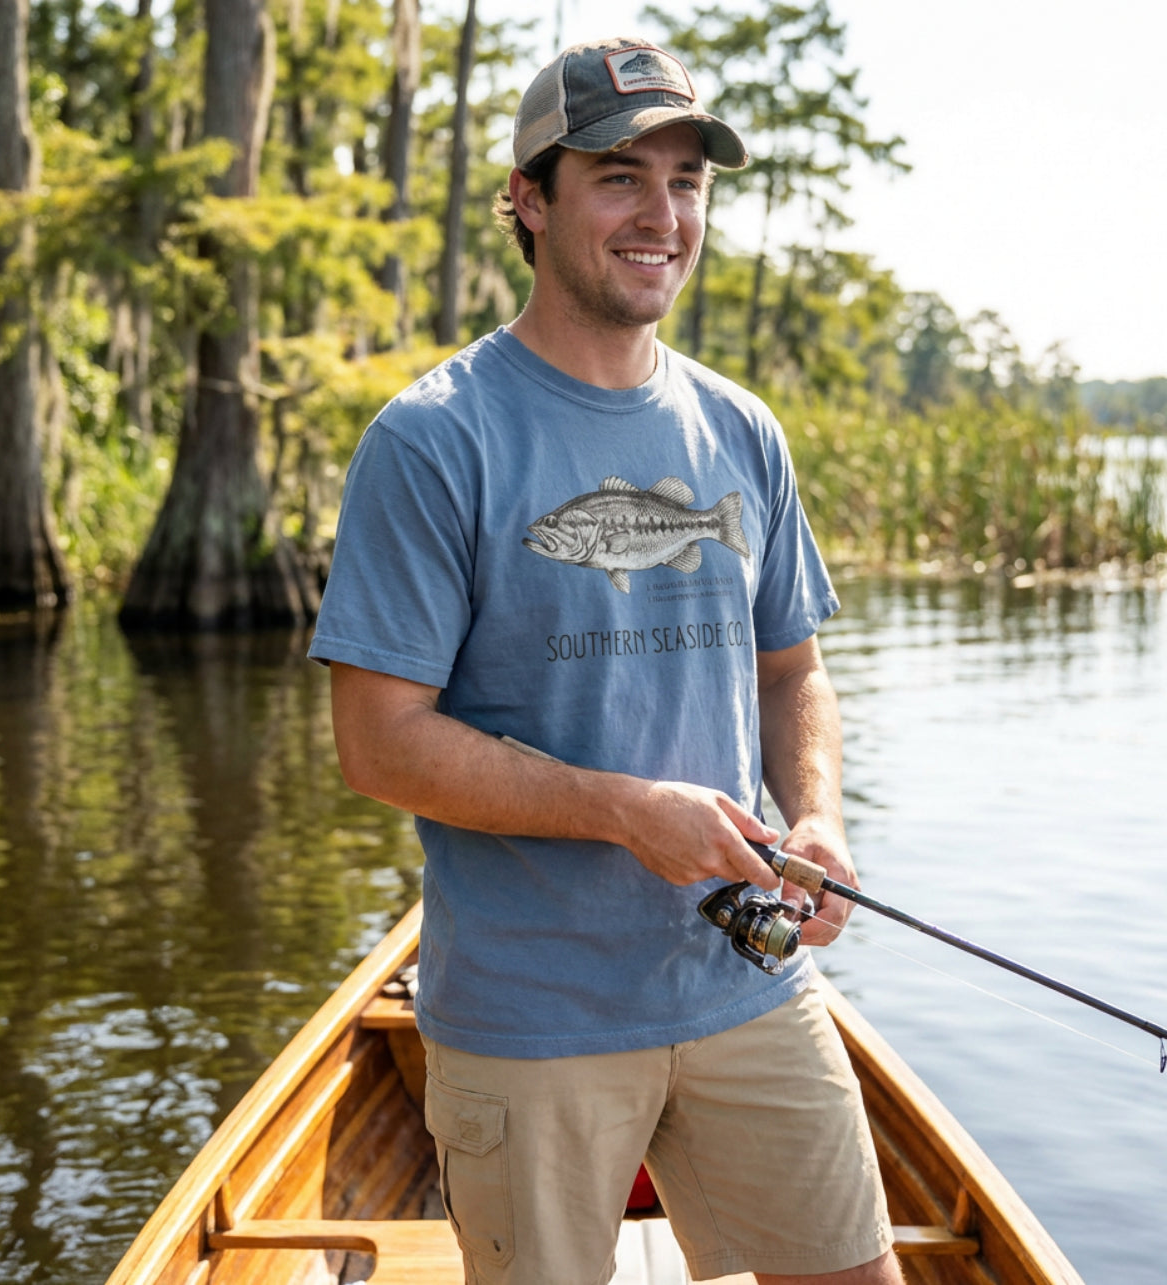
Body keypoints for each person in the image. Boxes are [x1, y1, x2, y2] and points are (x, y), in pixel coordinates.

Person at [309, 35, 902, 1285]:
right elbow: (378, 744)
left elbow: (791, 671)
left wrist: (818, 816)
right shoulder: (432, 439)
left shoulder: (741, 428)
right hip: (532, 1021)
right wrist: (626, 810)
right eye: (620, 177)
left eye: (686, 182)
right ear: (529, 200)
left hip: (745, 982)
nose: (661, 216)